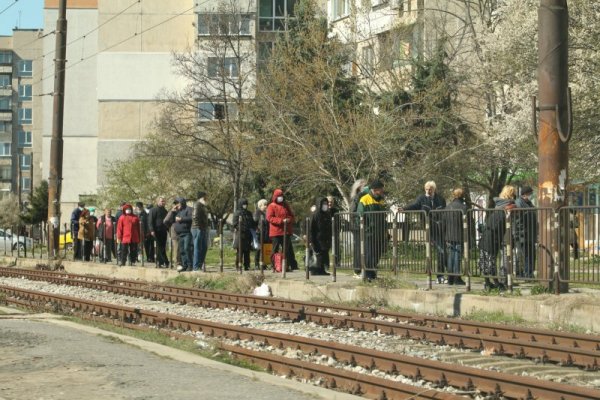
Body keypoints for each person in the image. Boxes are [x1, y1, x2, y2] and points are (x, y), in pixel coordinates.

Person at [404, 181, 447, 284]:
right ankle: (434, 275)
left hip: (440, 228)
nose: (428, 191)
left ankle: (440, 275)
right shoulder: (421, 198)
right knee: (440, 250)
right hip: (429, 228)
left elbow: (445, 211)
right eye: (426, 189)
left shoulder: (440, 199)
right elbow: (414, 205)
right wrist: (404, 208)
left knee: (442, 251)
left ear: (434, 189)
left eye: (430, 189)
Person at [478, 185, 516, 290]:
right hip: (493, 238)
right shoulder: (507, 209)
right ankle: (496, 283)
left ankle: (488, 283)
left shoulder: (498, 207)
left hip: (487, 236)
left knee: (485, 261)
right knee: (491, 261)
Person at [356, 180, 387, 281]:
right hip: (369, 233)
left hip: (379, 233)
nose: (382, 191)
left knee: (377, 254)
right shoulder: (364, 199)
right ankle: (368, 275)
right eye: (381, 189)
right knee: (369, 254)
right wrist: (366, 228)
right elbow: (359, 216)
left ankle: (372, 274)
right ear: (375, 190)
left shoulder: (381, 200)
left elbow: (383, 217)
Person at [266, 188, 298, 271]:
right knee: (275, 250)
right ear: (275, 197)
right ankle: (274, 266)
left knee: (286, 250)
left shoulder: (285, 205)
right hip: (276, 232)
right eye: (279, 196)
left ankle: (285, 266)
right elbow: (269, 218)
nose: (280, 197)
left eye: (281, 196)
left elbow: (292, 215)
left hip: (286, 231)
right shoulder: (271, 206)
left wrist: (288, 220)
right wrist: (281, 221)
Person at [443, 188, 467, 285]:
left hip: (448, 235)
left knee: (450, 257)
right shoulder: (464, 207)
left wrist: (445, 234)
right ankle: (457, 278)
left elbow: (443, 223)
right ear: (462, 195)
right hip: (459, 235)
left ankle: (450, 278)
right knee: (457, 257)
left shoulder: (448, 207)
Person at [513, 186, 537, 278]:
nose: (532, 195)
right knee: (524, 255)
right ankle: (524, 273)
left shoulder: (529, 203)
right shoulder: (519, 203)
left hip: (530, 233)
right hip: (522, 234)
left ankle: (529, 273)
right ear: (525, 194)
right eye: (531, 193)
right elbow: (518, 219)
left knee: (531, 255)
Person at [350, 179, 369, 277]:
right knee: (358, 249)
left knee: (365, 249)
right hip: (357, 227)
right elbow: (353, 212)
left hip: (364, 227)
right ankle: (357, 270)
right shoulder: (357, 197)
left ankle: (364, 269)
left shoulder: (366, 197)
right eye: (364, 186)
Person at [232, 198, 257, 271]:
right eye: (243, 204)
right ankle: (238, 265)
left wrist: (256, 223)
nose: (245, 205)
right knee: (240, 251)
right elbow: (235, 224)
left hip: (248, 235)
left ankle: (247, 266)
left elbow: (252, 222)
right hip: (240, 234)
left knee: (247, 251)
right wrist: (242, 228)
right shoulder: (237, 213)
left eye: (246, 204)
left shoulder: (249, 213)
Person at [309, 197, 332, 275]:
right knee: (318, 254)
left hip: (325, 238)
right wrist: (311, 240)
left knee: (324, 254)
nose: (325, 205)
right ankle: (316, 270)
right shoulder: (316, 214)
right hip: (317, 239)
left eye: (326, 204)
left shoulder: (327, 214)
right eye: (324, 204)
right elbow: (311, 228)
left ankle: (322, 270)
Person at [148, 197, 169, 268]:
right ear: (157, 202)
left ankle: (161, 262)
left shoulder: (165, 211)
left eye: (164, 201)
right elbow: (150, 221)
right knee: (159, 247)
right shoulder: (153, 210)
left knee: (162, 247)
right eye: (161, 201)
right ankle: (164, 262)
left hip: (163, 231)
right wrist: (152, 230)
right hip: (156, 231)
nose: (163, 202)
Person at [174, 197, 193, 272]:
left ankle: (190, 265)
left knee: (187, 249)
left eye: (177, 203)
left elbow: (191, 218)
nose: (176, 205)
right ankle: (184, 265)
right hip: (180, 233)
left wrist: (181, 219)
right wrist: (173, 211)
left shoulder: (189, 209)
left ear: (182, 202)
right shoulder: (178, 211)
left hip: (187, 232)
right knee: (182, 250)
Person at [191, 191, 209, 272]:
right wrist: (199, 227)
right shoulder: (197, 204)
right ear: (201, 198)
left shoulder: (203, 206)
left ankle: (200, 265)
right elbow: (195, 217)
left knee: (204, 247)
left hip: (203, 228)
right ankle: (196, 267)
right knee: (198, 247)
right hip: (197, 228)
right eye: (205, 197)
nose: (206, 199)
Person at [164, 199, 181, 268]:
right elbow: (165, 221)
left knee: (180, 248)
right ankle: (176, 263)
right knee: (176, 248)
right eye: (176, 204)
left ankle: (179, 262)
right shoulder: (172, 212)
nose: (177, 206)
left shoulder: (181, 211)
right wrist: (171, 227)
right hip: (175, 233)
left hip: (181, 232)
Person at [254, 199, 270, 270]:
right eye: (265, 205)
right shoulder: (258, 213)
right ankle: (257, 263)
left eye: (267, 204)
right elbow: (255, 223)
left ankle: (264, 263)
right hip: (260, 233)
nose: (266, 206)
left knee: (265, 249)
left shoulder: (266, 213)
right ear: (260, 206)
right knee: (259, 249)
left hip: (266, 233)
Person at [327, 195, 340, 268]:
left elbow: (338, 221)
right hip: (326, 232)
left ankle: (337, 262)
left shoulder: (336, 210)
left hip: (334, 231)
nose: (329, 203)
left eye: (331, 202)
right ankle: (326, 263)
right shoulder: (323, 210)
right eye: (328, 202)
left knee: (336, 248)